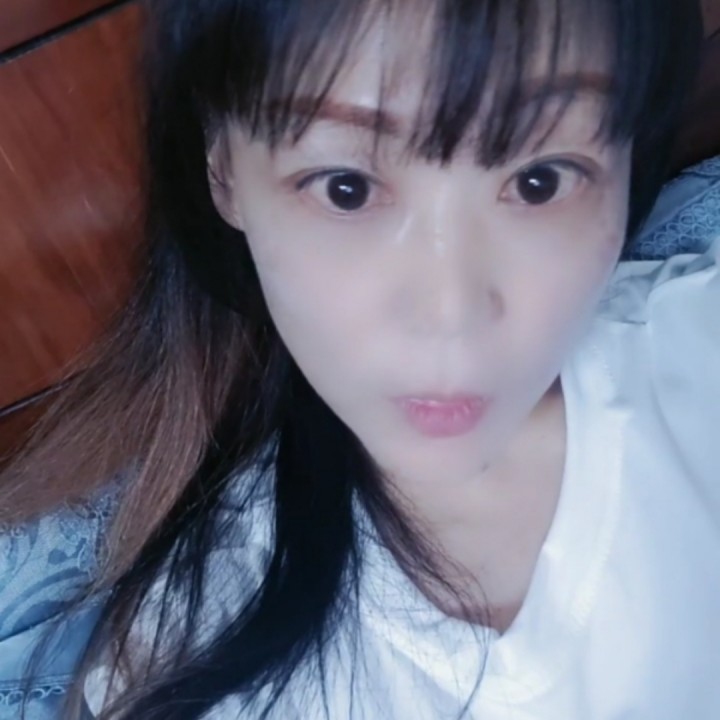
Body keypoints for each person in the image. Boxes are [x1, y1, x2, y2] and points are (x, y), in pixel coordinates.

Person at [1, 0, 718, 718]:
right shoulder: (183, 661)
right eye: (347, 188)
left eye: (542, 180)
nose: (450, 313)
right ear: (223, 173)